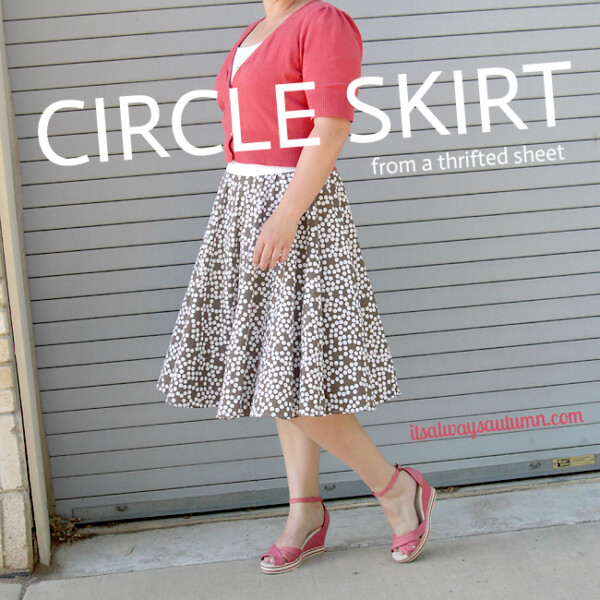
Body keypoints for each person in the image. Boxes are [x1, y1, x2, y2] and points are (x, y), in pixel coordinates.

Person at [156, 0, 436, 573]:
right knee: (281, 371)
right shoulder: (257, 29)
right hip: (241, 201)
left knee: (287, 370)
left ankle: (395, 489)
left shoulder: (323, 20)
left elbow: (330, 125)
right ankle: (305, 511)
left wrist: (285, 216)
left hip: (294, 208)